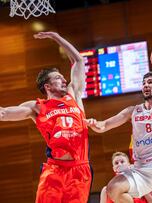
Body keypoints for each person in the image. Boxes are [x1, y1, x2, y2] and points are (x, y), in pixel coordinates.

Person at [86, 50, 152, 203]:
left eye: (150, 82)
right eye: (144, 83)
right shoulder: (133, 111)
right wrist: (94, 124)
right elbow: (104, 126)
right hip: (141, 170)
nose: (145, 85)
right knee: (112, 189)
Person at [0, 32, 91, 203]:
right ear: (47, 86)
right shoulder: (37, 107)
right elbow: (3, 113)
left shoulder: (74, 95)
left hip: (80, 169)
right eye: (58, 78)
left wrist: (56, 37)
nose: (64, 80)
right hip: (54, 170)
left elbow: (78, 60)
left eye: (63, 77)